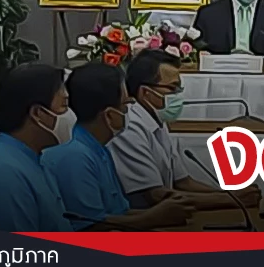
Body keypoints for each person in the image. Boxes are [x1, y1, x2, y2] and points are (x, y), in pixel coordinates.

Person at [42, 64, 195, 230]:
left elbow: (118, 213)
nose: (129, 111)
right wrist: (153, 217)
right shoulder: (75, 157)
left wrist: (163, 211)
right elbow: (92, 227)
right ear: (109, 115)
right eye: (125, 105)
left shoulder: (100, 150)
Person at [108, 49, 262, 210]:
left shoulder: (158, 121)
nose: (178, 95)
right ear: (146, 92)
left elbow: (184, 182)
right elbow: (155, 195)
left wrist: (232, 194)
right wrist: (232, 200)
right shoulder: (129, 127)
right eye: (172, 88)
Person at [0, 64, 73, 231]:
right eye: (64, 106)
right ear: (38, 113)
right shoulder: (4, 173)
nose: (72, 116)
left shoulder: (33, 158)